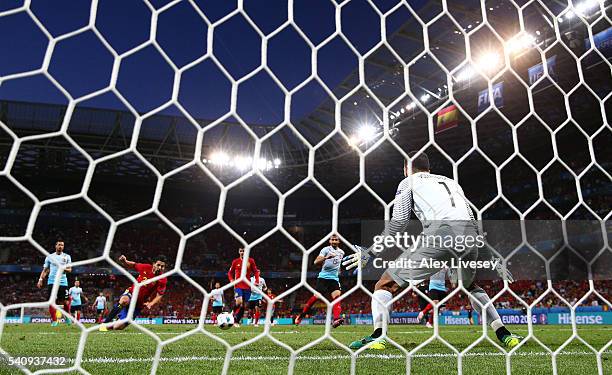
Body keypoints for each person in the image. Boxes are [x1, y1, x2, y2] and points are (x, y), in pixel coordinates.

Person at [343, 151, 521, 350]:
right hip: (469, 237)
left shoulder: (408, 182)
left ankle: (378, 335)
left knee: (384, 285)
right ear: (429, 168)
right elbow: (473, 223)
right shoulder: (451, 182)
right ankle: (504, 333)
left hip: (440, 235)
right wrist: (493, 259)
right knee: (470, 286)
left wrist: (371, 252)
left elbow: (399, 223)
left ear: (406, 168)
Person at [99, 255, 168, 331]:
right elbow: (133, 265)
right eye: (158, 265)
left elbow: (160, 295)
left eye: (162, 266)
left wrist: (151, 303)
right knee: (124, 300)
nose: (160, 268)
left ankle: (116, 321)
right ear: (154, 264)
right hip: (131, 293)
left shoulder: (163, 279)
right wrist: (124, 261)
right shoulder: (146, 267)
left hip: (138, 304)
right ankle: (105, 323)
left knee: (117, 327)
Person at [295, 234, 345, 328]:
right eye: (332, 239)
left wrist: (339, 271)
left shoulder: (342, 252)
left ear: (339, 241)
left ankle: (336, 320)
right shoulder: (325, 250)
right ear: (329, 241)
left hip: (334, 279)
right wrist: (326, 258)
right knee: (316, 297)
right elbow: (315, 261)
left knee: (337, 298)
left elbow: (338, 265)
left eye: (336, 240)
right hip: (323, 278)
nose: (334, 241)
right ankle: (301, 315)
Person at [37, 239, 71, 327]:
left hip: (63, 282)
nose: (60, 246)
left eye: (62, 245)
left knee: (64, 302)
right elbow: (45, 270)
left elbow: (70, 270)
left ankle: (67, 317)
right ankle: (54, 320)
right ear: (55, 246)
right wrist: (40, 279)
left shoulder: (67, 257)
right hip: (51, 282)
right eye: (59, 245)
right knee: (51, 301)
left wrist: (62, 268)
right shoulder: (49, 257)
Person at [227, 248, 260, 327]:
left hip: (247, 286)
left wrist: (257, 280)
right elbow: (230, 273)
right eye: (241, 251)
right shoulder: (235, 261)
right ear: (239, 252)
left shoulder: (251, 261)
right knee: (239, 302)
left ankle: (236, 321)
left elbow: (255, 271)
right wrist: (231, 280)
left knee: (244, 305)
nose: (242, 252)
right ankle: (232, 313)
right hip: (238, 285)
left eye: (244, 251)